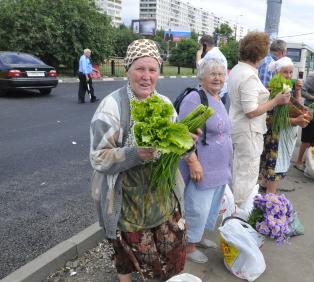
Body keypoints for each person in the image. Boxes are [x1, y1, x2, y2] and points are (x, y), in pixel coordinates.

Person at [90, 39, 196, 282]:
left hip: (162, 198)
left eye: (152, 69)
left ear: (159, 72)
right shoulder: (111, 108)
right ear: (127, 70)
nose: (146, 76)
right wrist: (134, 154)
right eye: (140, 68)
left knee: (171, 255)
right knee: (127, 254)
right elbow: (98, 158)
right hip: (128, 204)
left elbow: (173, 147)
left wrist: (184, 141)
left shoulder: (166, 104)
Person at [178, 58, 232, 264]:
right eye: (213, 74)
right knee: (197, 207)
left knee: (210, 207)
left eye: (221, 74)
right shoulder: (195, 98)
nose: (218, 78)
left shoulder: (218, 98)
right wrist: (193, 162)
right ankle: (188, 245)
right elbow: (183, 134)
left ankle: (197, 238)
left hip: (219, 167)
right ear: (202, 77)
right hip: (203, 167)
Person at [228, 32, 290, 206]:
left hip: (239, 126)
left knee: (239, 170)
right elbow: (251, 111)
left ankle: (237, 209)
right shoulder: (248, 75)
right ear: (260, 54)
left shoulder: (238, 70)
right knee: (246, 174)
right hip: (248, 131)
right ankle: (240, 211)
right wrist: (276, 100)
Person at [259, 56, 310, 194]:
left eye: (290, 72)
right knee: (274, 165)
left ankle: (264, 185)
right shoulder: (273, 91)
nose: (288, 75)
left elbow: (295, 108)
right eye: (285, 72)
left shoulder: (286, 88)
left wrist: (298, 91)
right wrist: (296, 121)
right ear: (277, 73)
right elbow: (269, 118)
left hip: (285, 134)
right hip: (276, 136)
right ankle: (270, 198)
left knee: (274, 164)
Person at [196, 35, 228, 104]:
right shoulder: (217, 52)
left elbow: (199, 68)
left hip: (215, 91)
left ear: (205, 45)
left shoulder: (210, 54)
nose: (201, 48)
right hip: (221, 90)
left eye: (201, 46)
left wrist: (198, 54)